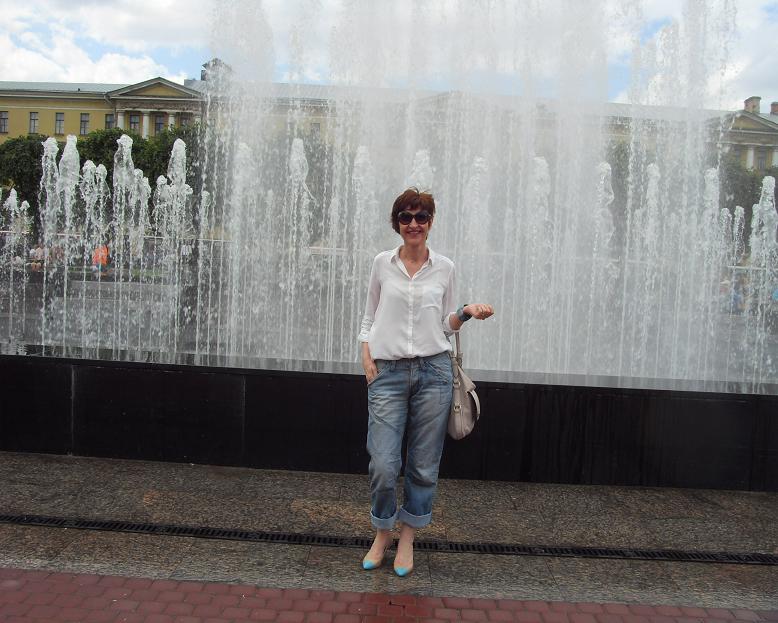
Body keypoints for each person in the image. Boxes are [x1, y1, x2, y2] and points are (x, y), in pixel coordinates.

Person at [357, 187, 494, 577]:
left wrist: (465, 313)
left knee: (422, 464)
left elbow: (444, 325)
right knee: (383, 463)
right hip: (387, 373)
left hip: (434, 373)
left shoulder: (445, 268)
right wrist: (366, 355)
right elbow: (369, 316)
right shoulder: (382, 264)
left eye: (421, 217)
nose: (413, 223)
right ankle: (382, 532)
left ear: (430, 222)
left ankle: (407, 538)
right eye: (406, 217)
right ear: (397, 223)